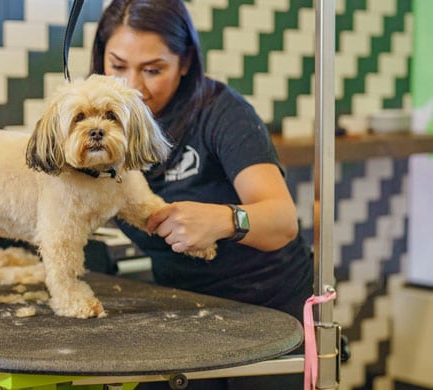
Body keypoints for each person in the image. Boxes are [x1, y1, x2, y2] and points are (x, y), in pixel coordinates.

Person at [90, 0, 314, 388]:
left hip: (268, 313)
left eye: (153, 70)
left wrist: (224, 219)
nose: (132, 87)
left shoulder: (222, 114)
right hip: (183, 310)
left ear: (186, 62)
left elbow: (282, 221)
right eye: (118, 66)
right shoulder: (99, 128)